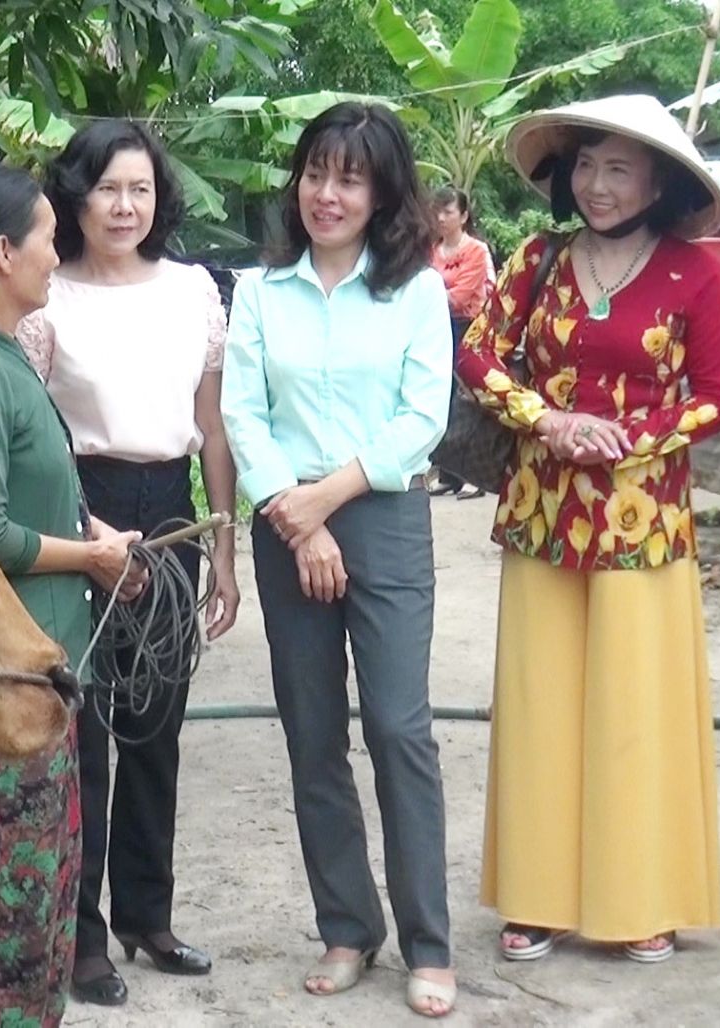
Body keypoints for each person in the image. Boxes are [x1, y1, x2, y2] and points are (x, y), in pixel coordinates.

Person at [459, 94, 720, 967]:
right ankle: (539, 901)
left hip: (643, 520)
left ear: (658, 181)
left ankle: (637, 899)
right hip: (543, 513)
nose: (597, 183)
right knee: (542, 708)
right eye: (587, 164)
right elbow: (476, 351)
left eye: (620, 168)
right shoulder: (536, 258)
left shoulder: (694, 274)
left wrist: (627, 439)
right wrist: (546, 420)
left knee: (633, 711)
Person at [219, 101, 457, 1017]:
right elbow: (244, 414)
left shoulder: (417, 291)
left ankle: (428, 944)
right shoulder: (263, 289)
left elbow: (421, 416)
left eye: (350, 177)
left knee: (400, 730)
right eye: (316, 173)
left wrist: (329, 498)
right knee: (314, 734)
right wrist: (298, 517)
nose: (328, 193)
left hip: (384, 517)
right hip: (289, 529)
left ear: (383, 190)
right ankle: (348, 927)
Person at [0, 164, 146, 1028]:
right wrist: (88, 558)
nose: (58, 252)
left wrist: (96, 534)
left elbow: (34, 498)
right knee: (14, 921)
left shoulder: (0, 354)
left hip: (42, 678)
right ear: (4, 254)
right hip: (4, 686)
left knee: (44, 913)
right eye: (47, 235)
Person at [21, 120, 239, 1007]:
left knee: (156, 727)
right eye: (108, 187)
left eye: (141, 189)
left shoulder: (194, 290)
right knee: (85, 740)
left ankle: (150, 915)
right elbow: (34, 441)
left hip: (173, 515)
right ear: (75, 195)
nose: (125, 205)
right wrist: (90, 535)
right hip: (82, 509)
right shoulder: (46, 300)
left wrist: (222, 549)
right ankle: (82, 939)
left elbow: (213, 427)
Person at [429, 185, 495, 499]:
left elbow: (461, 296)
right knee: (440, 395)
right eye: (437, 211)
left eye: (448, 211)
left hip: (470, 328)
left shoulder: (477, 251)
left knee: (469, 399)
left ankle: (473, 476)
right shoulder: (431, 250)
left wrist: (428, 296)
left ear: (464, 216)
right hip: (437, 327)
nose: (441, 217)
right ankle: (448, 473)